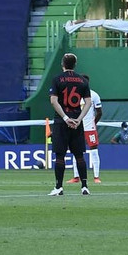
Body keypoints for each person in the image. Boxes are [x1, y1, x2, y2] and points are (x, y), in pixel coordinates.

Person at [47, 53, 93, 197]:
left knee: (60, 156)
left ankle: (59, 187)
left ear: (63, 64)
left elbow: (54, 101)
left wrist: (66, 118)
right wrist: (78, 119)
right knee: (79, 155)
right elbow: (88, 103)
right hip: (77, 121)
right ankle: (84, 186)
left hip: (62, 121)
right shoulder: (82, 80)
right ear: (75, 64)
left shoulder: (57, 79)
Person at [69, 75, 102, 185]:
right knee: (75, 150)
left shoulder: (94, 95)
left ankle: (96, 176)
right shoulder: (74, 95)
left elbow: (99, 112)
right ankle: (76, 176)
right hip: (77, 126)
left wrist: (93, 123)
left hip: (89, 127)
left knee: (94, 150)